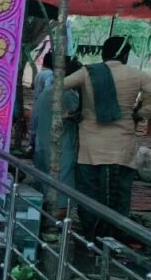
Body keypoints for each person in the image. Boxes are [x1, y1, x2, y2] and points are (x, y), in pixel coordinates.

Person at [64, 36, 151, 240]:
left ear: (104, 53)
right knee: (119, 194)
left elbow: (58, 85)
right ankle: (115, 237)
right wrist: (140, 113)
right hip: (122, 147)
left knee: (89, 193)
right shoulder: (138, 75)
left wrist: (74, 111)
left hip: (90, 148)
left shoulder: (88, 72)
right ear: (125, 55)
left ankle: (91, 236)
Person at [33, 57, 82, 215]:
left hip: (44, 144)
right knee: (62, 191)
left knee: (47, 186)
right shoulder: (67, 95)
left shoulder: (48, 91)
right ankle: (56, 223)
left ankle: (48, 220)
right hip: (61, 147)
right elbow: (78, 115)